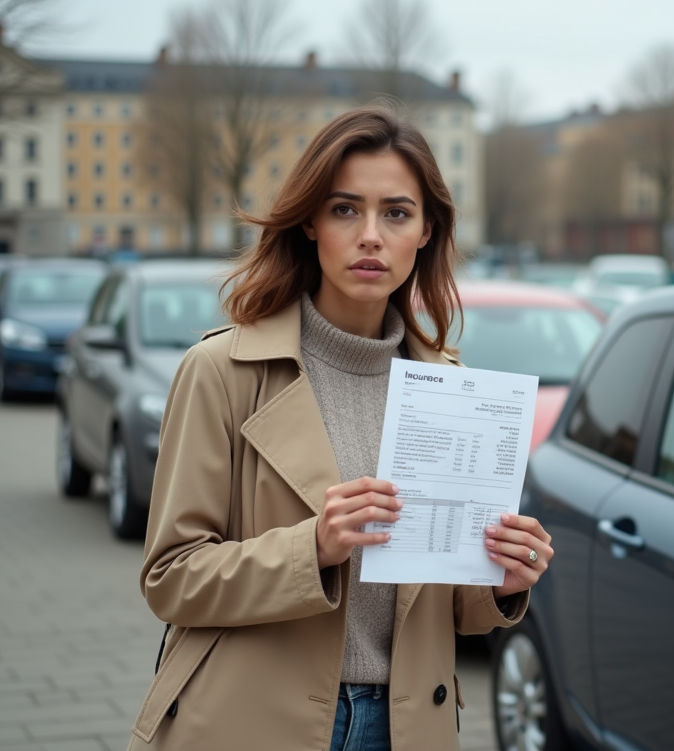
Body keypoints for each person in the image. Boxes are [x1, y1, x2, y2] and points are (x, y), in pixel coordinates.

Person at [126, 105, 554, 751]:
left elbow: (448, 607)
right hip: (253, 722)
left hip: (408, 726)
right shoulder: (222, 371)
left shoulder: (454, 390)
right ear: (309, 222)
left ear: (427, 231)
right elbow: (172, 579)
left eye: (397, 213)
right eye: (346, 209)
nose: (372, 236)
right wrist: (314, 547)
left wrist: (501, 579)